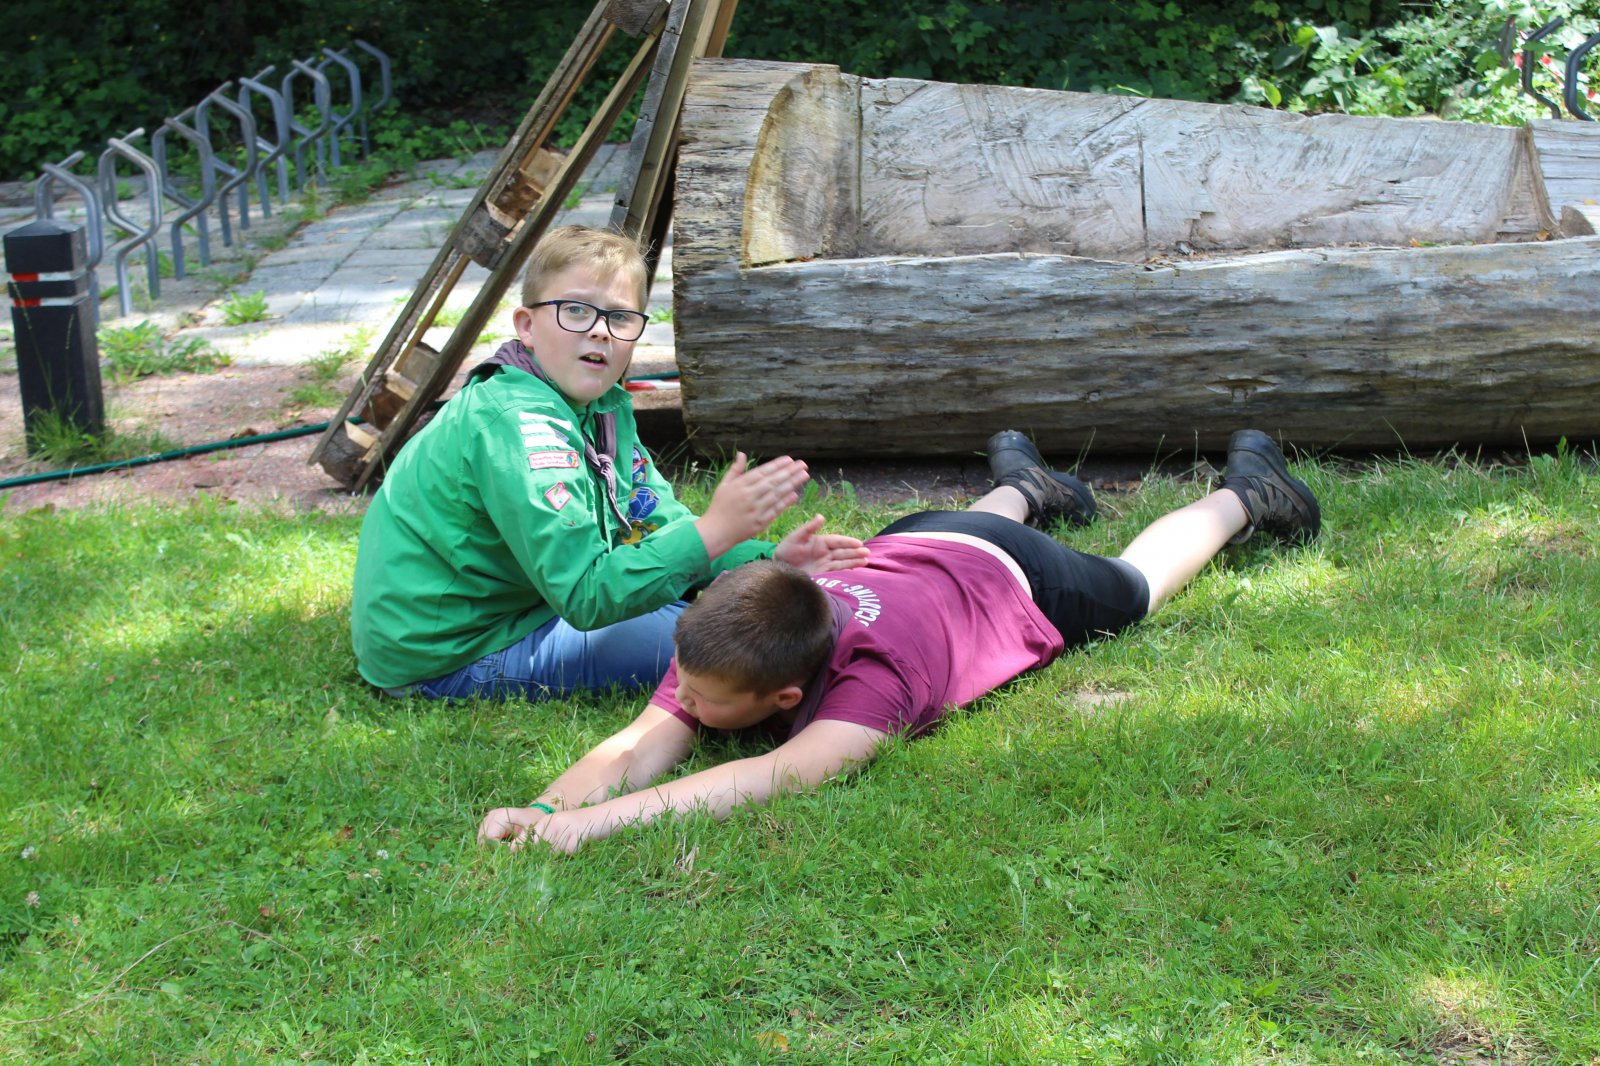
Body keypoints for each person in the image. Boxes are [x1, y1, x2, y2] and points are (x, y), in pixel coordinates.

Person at [477, 428, 1321, 852]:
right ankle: (1026, 484)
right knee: (960, 532)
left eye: (700, 700)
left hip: (1009, 570)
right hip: (917, 540)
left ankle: (1246, 495)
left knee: (1135, 585)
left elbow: (761, 776)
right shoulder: (727, 639)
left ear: (788, 699)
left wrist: (596, 826)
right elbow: (635, 745)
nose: (681, 704)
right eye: (685, 688)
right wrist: (547, 808)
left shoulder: (873, 689)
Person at [350, 225, 867, 701]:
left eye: (619, 317)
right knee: (740, 648)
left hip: (528, 608)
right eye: (576, 310)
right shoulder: (518, 424)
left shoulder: (599, 406)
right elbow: (585, 595)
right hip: (455, 651)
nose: (600, 331)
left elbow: (649, 522)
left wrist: (768, 558)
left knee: (724, 619)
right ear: (526, 325)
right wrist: (714, 531)